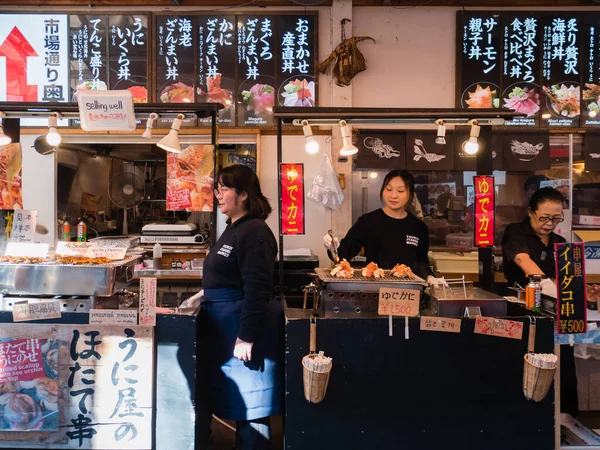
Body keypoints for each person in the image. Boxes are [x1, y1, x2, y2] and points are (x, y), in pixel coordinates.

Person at [201, 165, 281, 449]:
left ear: (244, 194)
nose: (218, 195)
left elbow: (258, 288)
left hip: (243, 328)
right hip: (225, 325)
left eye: (224, 189)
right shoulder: (234, 228)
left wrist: (247, 335)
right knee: (237, 401)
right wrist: (202, 295)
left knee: (251, 406)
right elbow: (228, 274)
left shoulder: (255, 232)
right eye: (217, 189)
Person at [323, 169, 442, 284]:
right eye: (389, 189)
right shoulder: (368, 221)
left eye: (400, 191)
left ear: (410, 194)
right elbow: (344, 254)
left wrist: (430, 277)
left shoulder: (418, 227)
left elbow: (421, 262)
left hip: (408, 294)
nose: (393, 195)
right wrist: (333, 247)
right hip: (374, 289)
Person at [501, 186, 566, 296]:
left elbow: (564, 276)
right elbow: (522, 259)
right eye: (544, 218)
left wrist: (583, 290)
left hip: (552, 303)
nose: (550, 223)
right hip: (520, 299)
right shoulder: (516, 231)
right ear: (531, 212)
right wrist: (545, 283)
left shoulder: (560, 241)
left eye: (556, 218)